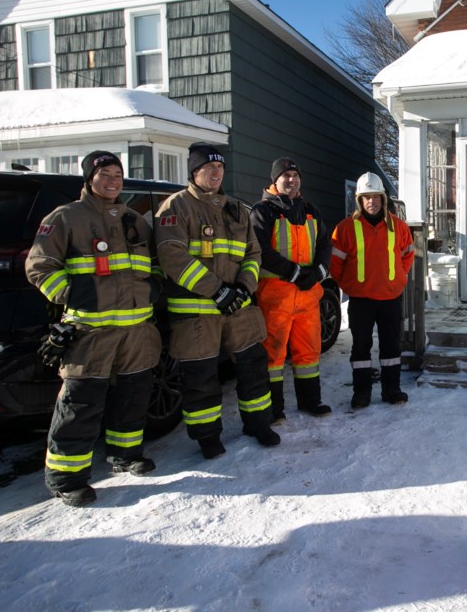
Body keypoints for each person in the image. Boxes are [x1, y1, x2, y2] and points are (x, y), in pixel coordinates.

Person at [26, 150, 161, 506]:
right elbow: (39, 266)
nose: (113, 180)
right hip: (90, 331)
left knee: (132, 397)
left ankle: (125, 456)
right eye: (105, 174)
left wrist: (155, 288)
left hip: (137, 330)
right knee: (80, 403)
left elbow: (155, 264)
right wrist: (73, 294)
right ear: (89, 179)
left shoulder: (136, 219)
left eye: (117, 174)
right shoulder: (66, 217)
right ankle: (66, 478)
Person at [154, 142, 280, 460]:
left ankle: (258, 423)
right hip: (196, 313)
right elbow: (173, 257)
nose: (215, 172)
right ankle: (208, 436)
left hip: (238, 308)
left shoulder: (236, 208)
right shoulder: (175, 207)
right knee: (202, 379)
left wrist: (243, 287)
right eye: (208, 167)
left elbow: (253, 253)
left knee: (253, 368)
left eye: (220, 167)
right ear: (194, 172)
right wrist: (217, 291)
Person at [250, 157, 332, 419]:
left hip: (307, 297)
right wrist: (295, 273)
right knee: (272, 357)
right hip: (276, 297)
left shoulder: (310, 209)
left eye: (295, 175)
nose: (291, 180)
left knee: (308, 352)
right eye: (285, 175)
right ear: (275, 180)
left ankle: (311, 401)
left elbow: (324, 245)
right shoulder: (262, 211)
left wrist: (319, 271)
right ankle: (274, 409)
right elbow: (260, 251)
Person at [330, 172, 415, 408]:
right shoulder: (345, 228)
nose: (371, 202)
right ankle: (361, 393)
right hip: (361, 301)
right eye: (366, 197)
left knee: (391, 347)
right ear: (359, 200)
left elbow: (408, 255)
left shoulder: (398, 227)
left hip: (390, 298)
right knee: (360, 349)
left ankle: (392, 390)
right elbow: (335, 264)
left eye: (375, 197)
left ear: (383, 198)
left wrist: (398, 278)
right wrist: (349, 286)